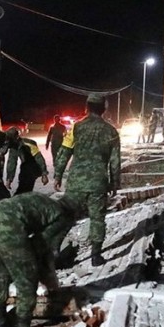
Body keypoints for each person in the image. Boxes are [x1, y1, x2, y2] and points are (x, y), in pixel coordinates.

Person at [0, 192, 79, 327]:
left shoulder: (44, 202)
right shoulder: (62, 216)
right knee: (27, 284)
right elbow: (41, 246)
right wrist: (45, 276)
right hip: (9, 227)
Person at [54, 93, 121, 266]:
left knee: (66, 215)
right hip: (98, 182)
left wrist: (58, 175)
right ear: (104, 109)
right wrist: (115, 183)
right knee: (97, 218)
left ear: (87, 107)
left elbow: (64, 152)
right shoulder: (111, 131)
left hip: (76, 182)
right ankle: (96, 257)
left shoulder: (76, 127)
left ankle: (54, 251)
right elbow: (115, 161)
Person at [4, 127, 49, 195]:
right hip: (24, 168)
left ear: (17, 137)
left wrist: (44, 174)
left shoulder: (29, 144)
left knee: (25, 189)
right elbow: (12, 162)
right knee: (23, 188)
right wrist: (9, 179)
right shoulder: (13, 146)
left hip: (33, 167)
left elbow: (39, 159)